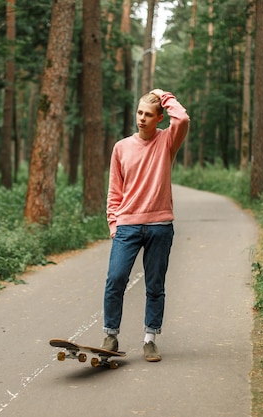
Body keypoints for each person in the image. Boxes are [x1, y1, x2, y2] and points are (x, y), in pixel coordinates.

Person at [101, 88, 190, 362]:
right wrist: (113, 224)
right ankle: (110, 335)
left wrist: (163, 95)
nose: (142, 118)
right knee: (115, 279)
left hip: (160, 225)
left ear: (159, 118)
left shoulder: (167, 141)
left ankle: (150, 338)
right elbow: (115, 190)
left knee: (155, 284)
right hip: (127, 225)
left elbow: (183, 120)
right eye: (139, 112)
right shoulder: (121, 147)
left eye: (148, 114)